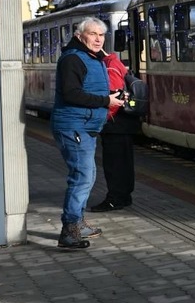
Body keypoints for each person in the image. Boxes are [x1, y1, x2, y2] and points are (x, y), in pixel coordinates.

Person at [51, 18, 126, 250]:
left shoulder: (92, 58)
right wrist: (106, 100)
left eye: (101, 35)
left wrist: (112, 96)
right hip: (74, 126)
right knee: (81, 177)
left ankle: (78, 223)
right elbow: (71, 93)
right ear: (79, 35)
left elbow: (89, 89)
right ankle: (69, 231)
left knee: (88, 175)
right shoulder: (73, 59)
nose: (98, 39)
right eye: (92, 34)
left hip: (86, 126)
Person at [89, 50, 141, 212]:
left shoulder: (109, 66)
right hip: (123, 124)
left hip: (115, 124)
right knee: (124, 164)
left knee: (114, 165)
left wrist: (102, 119)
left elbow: (114, 96)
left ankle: (115, 199)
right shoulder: (114, 63)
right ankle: (124, 197)